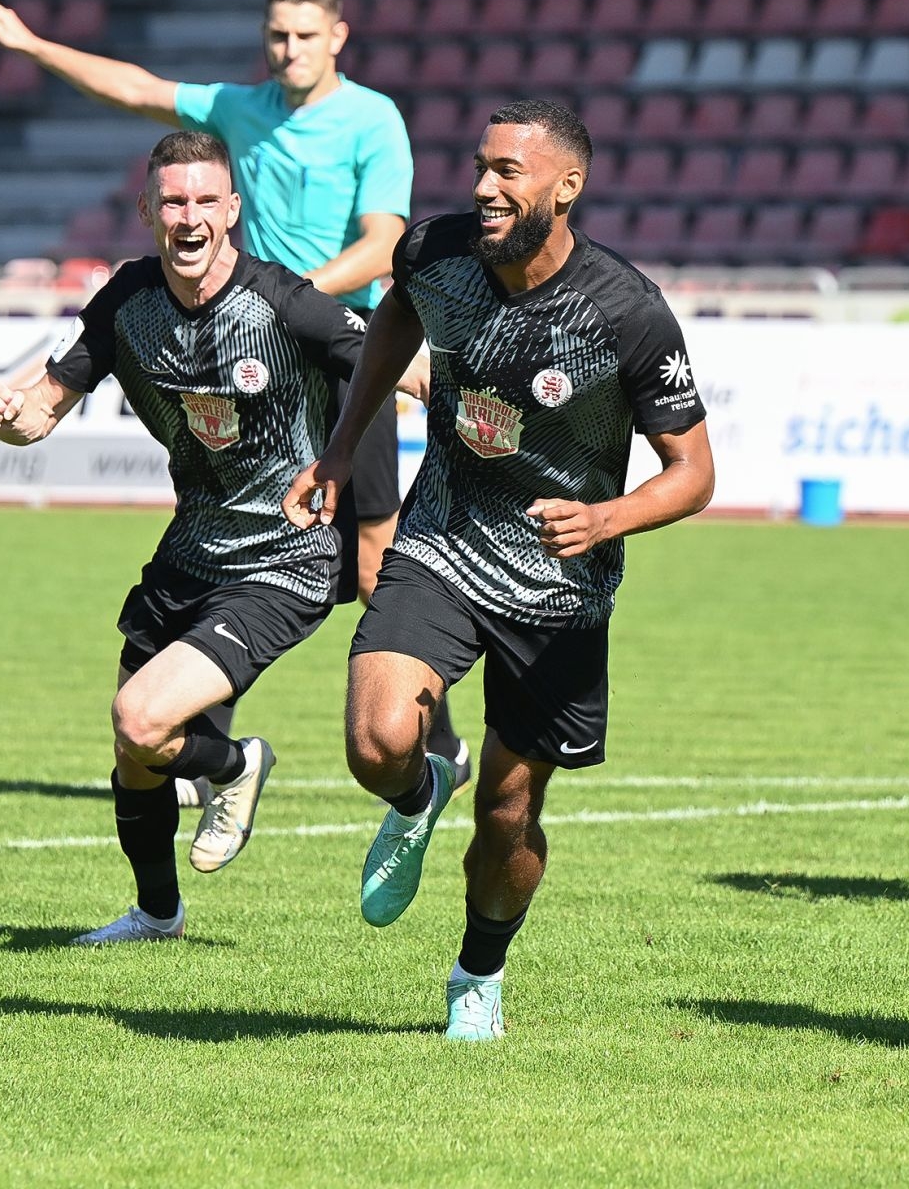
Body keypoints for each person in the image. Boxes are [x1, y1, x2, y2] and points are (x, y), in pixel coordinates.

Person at [0, 0, 469, 803]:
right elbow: (135, 89)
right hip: (247, 355)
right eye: (277, 34)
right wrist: (30, 45)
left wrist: (281, 305)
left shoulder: (372, 119)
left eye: (305, 35)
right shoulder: (239, 109)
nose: (289, 49)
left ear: (337, 38)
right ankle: (201, 746)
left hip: (340, 351)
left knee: (374, 563)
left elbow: (384, 245)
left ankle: (437, 740)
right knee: (229, 532)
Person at [284, 100, 714, 1041]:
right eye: (482, 166)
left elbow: (694, 474)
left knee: (509, 814)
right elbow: (396, 317)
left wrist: (605, 518)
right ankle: (415, 794)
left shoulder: (626, 312)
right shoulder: (435, 254)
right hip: (441, 540)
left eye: (508, 172)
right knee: (376, 740)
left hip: (560, 589)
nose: (483, 186)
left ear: (567, 188)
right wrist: (342, 445)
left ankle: (478, 972)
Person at [0, 131, 363, 943]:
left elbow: (390, 363)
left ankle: (238, 764)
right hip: (190, 552)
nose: (190, 218)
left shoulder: (283, 302)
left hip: (284, 557)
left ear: (232, 210)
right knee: (135, 752)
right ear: (148, 212)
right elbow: (43, 409)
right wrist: (11, 420)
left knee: (141, 719)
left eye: (205, 201)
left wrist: (369, 446)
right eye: (173, 202)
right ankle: (157, 915)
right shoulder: (128, 300)